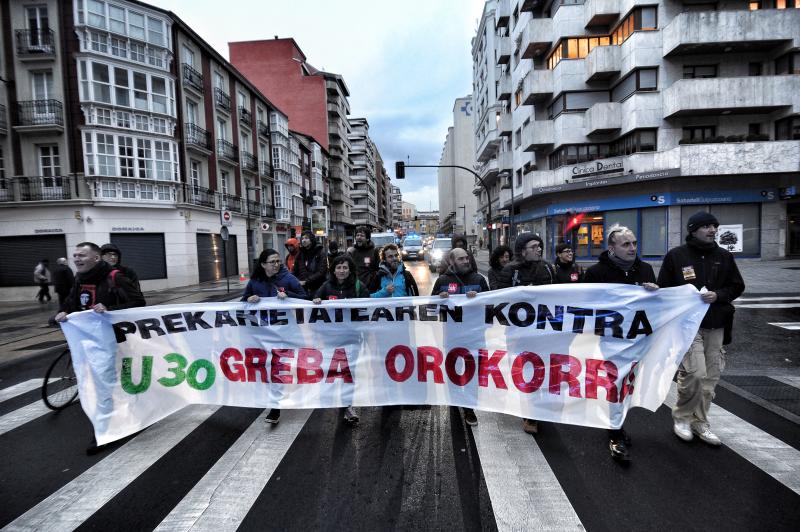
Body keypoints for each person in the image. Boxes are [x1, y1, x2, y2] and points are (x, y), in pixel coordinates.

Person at [657, 211, 745, 447]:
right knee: (695, 373)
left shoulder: (724, 256)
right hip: (688, 326)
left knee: (711, 377)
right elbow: (664, 290)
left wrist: (719, 295)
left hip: (716, 323)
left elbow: (737, 286)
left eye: (714, 226)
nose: (712, 230)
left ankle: (700, 422)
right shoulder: (676, 256)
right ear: (693, 229)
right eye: (707, 226)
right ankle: (682, 418)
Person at [55, 242, 146, 455]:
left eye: (82, 255)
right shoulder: (79, 279)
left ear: (96, 258)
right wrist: (62, 312)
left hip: (118, 341)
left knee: (109, 386)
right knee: (100, 386)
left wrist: (109, 309)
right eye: (75, 255)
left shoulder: (115, 277)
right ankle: (115, 424)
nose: (77, 259)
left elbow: (139, 302)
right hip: (90, 342)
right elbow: (71, 302)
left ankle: (104, 433)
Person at [583, 224, 659, 462]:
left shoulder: (645, 270)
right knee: (613, 383)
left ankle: (616, 424)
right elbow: (584, 306)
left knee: (627, 385)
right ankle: (614, 430)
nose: (632, 248)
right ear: (612, 247)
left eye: (634, 243)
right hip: (609, 340)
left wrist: (656, 292)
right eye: (626, 244)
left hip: (636, 340)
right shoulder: (596, 273)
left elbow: (655, 307)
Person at [495, 233, 555, 435]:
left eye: (540, 246)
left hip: (543, 329)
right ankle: (529, 412)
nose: (539, 249)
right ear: (522, 251)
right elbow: (500, 301)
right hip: (519, 332)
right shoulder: (510, 271)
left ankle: (537, 409)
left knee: (543, 368)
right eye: (533, 246)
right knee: (525, 370)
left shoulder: (547, 268)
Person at [242, 248, 306, 425]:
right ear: (263, 264)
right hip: (263, 333)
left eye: (278, 261)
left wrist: (289, 296)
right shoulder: (255, 282)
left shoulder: (288, 279)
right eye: (272, 262)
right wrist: (249, 299)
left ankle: (277, 405)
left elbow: (304, 297)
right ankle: (275, 404)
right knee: (270, 368)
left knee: (278, 367)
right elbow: (242, 304)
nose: (277, 264)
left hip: (285, 332)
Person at [431, 247, 489, 427]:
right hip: (453, 335)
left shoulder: (479, 280)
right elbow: (431, 309)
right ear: (452, 262)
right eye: (462, 259)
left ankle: (469, 408)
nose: (466, 261)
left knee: (473, 371)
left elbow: (491, 305)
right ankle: (456, 401)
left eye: (467, 258)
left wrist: (479, 299)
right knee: (454, 370)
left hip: (475, 334)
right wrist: (439, 299)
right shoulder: (442, 281)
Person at [313, 255, 370, 425]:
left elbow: (368, 307)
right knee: (330, 371)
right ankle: (330, 398)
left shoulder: (359, 286)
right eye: (339, 267)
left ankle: (347, 405)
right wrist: (316, 300)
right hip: (331, 339)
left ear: (350, 270)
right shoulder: (326, 286)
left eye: (345, 268)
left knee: (348, 373)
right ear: (333, 270)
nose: (342, 271)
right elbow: (315, 301)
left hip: (352, 338)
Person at [293, 230, 327, 297]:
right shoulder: (300, 254)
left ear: (311, 239)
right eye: (302, 238)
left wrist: (306, 281)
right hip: (303, 289)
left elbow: (321, 272)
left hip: (317, 288)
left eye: (306, 238)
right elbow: (295, 271)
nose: (304, 240)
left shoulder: (320, 253)